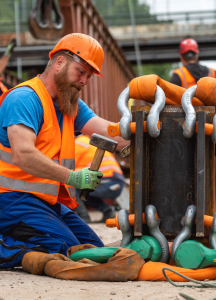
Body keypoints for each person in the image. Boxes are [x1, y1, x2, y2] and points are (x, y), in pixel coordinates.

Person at [0, 33, 128, 268]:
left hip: (42, 201)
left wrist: (147, 130)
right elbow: (23, 154)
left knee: (95, 251)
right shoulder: (24, 98)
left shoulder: (69, 105)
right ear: (59, 63)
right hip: (8, 199)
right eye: (81, 72)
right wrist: (74, 177)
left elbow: (112, 133)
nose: (84, 81)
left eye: (89, 76)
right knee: (67, 250)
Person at [73, 134, 125, 223]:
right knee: (84, 190)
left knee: (73, 184)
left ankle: (83, 217)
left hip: (107, 180)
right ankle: (108, 211)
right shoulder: (87, 142)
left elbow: (68, 169)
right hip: (118, 182)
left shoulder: (77, 143)